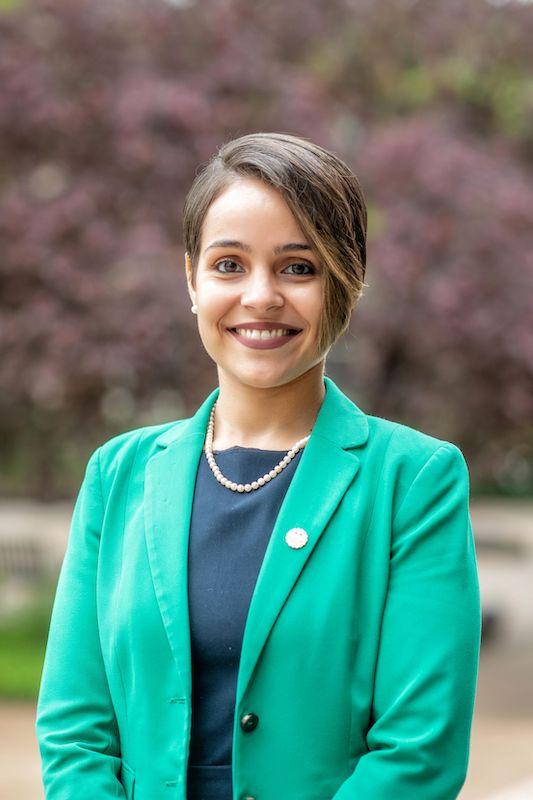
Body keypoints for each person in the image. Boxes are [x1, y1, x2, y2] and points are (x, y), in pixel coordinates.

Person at [35, 132, 482, 800]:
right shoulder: (117, 474)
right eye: (228, 265)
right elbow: (75, 732)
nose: (261, 296)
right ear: (191, 279)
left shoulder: (414, 481)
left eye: (298, 267)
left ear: (346, 281)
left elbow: (419, 751)